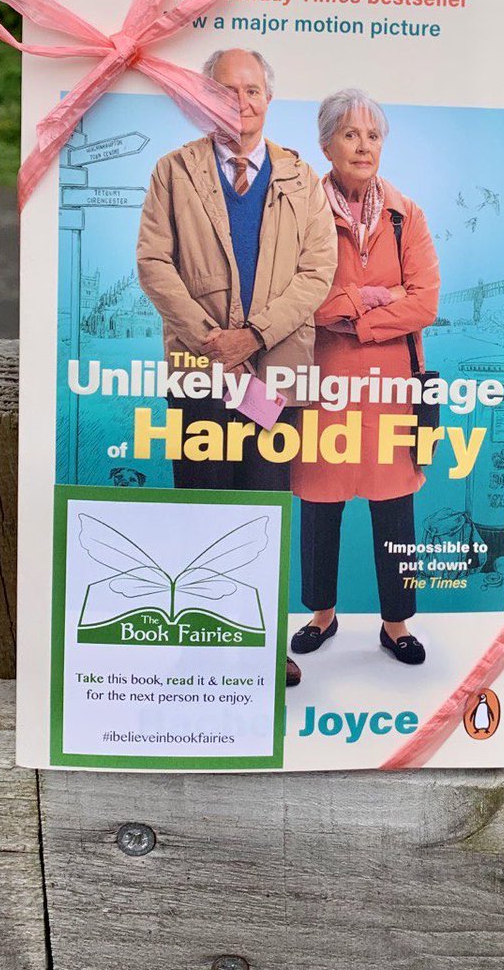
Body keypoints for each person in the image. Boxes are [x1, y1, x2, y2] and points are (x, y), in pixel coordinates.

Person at [136, 48, 338, 688]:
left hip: (275, 375)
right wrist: (208, 339)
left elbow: (316, 274)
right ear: (204, 98)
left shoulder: (303, 182)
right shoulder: (173, 173)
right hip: (200, 371)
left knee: (264, 509)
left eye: (253, 91)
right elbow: (154, 263)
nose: (241, 104)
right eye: (227, 92)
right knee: (200, 506)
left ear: (268, 100)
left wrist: (252, 335)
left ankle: (261, 648)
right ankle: (199, 650)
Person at [288, 88, 440, 666]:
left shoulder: (407, 215)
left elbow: (424, 303)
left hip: (390, 390)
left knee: (394, 505)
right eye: (350, 135)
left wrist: (352, 314)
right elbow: (299, 301)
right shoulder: (302, 214)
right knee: (319, 507)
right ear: (326, 143)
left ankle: (395, 624)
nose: (363, 146)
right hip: (323, 387)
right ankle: (321, 616)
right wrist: (375, 297)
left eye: (373, 135)